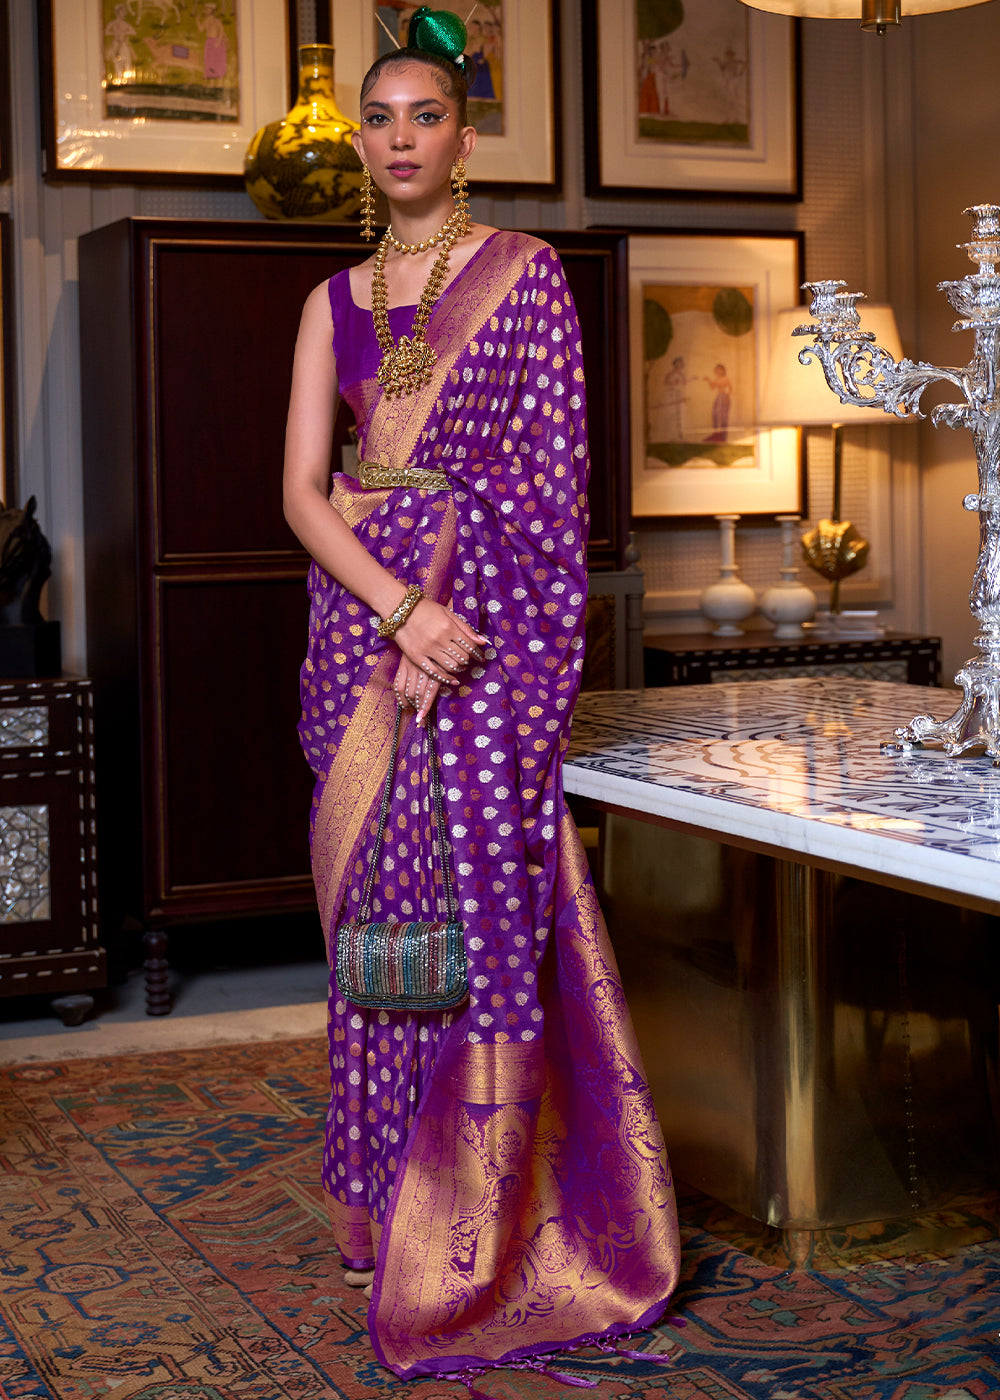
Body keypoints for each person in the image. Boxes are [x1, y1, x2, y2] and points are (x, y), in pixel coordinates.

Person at [282, 7, 680, 1383]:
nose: (401, 139)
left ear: (464, 139)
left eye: (426, 116)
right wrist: (403, 611)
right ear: (363, 142)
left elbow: (549, 486)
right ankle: (378, 1198)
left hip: (488, 639)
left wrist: (462, 624)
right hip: (365, 631)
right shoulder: (330, 304)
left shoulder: (525, 278)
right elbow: (302, 494)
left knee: (474, 909)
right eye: (379, 119)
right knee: (373, 920)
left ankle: (478, 1217)